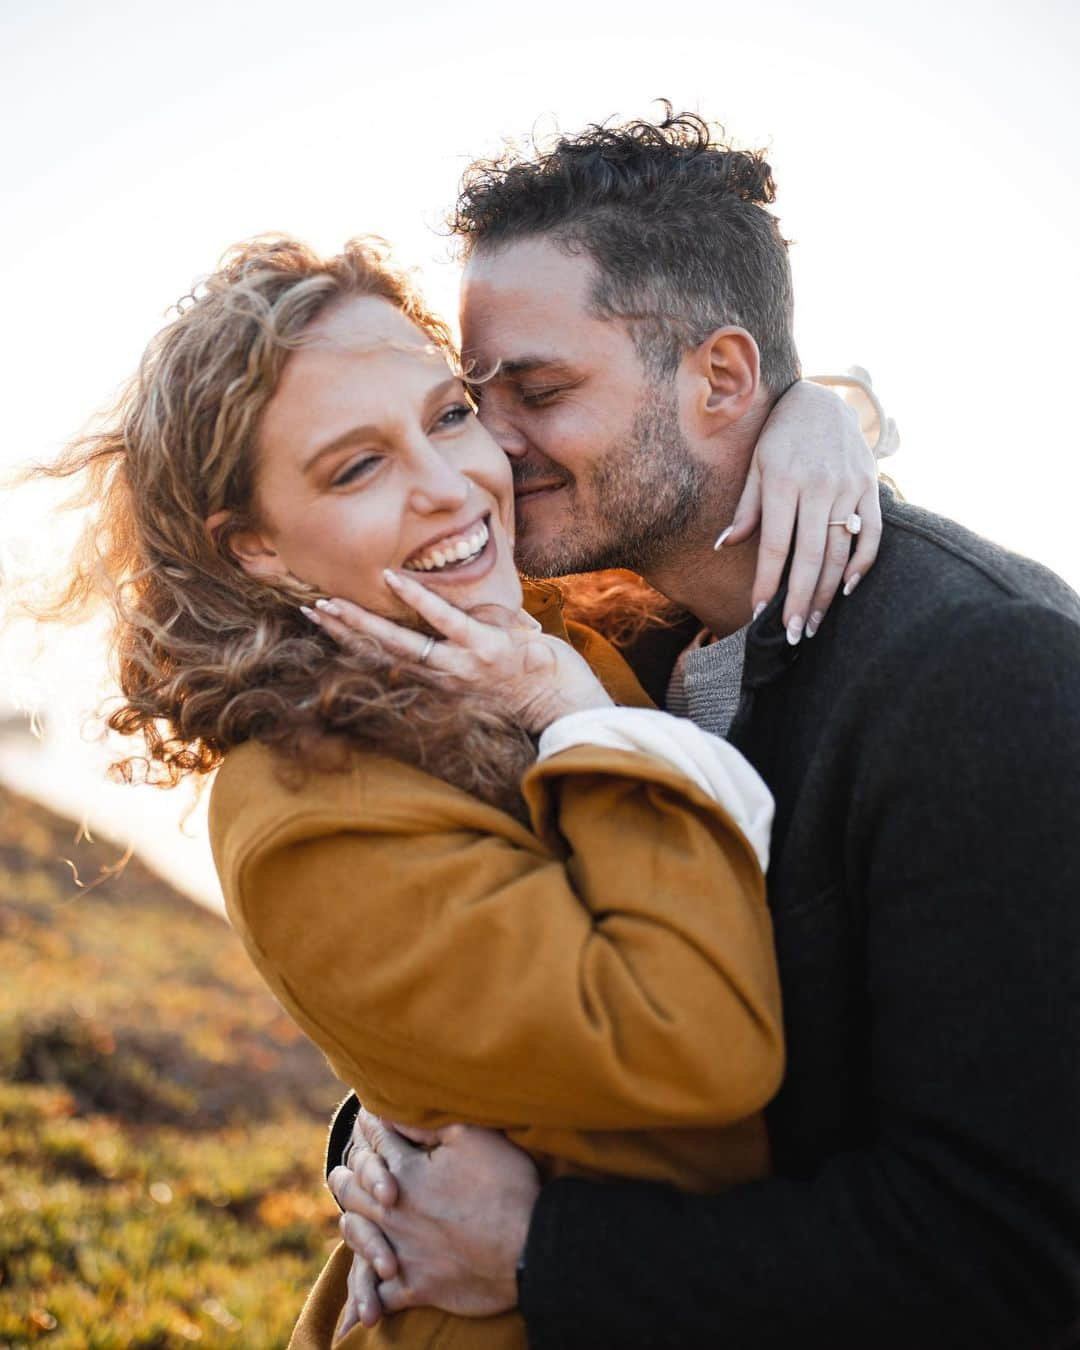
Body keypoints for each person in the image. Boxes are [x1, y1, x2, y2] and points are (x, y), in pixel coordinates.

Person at [36, 229, 882, 1350]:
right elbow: (696, 1042)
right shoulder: (303, 806)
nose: (453, 487)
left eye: (448, 415)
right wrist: (577, 716)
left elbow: (682, 478)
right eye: (357, 467)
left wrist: (817, 418)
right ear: (256, 551)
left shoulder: (530, 616)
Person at [328, 110, 1080, 1348]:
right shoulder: (601, 646)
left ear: (722, 379)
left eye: (542, 391)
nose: (490, 451)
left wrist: (537, 1252)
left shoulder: (982, 675)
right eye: (476, 397)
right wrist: (384, 1153)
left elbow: (1002, 1252)